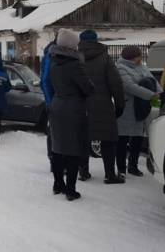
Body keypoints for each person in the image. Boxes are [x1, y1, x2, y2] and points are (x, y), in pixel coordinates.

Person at [49, 29, 95, 201]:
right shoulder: (75, 64)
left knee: (58, 148)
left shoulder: (54, 62)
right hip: (73, 109)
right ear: (71, 45)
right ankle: (71, 190)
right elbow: (87, 88)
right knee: (74, 150)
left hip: (57, 105)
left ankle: (58, 184)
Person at [79, 30, 125, 184]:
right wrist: (119, 105)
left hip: (81, 105)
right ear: (96, 40)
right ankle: (110, 175)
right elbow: (116, 83)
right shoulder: (105, 57)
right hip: (103, 104)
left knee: (83, 138)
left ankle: (83, 172)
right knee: (108, 140)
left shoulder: (75, 57)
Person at [116, 46, 162, 177]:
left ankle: (133, 166)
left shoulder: (142, 66)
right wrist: (151, 95)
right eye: (139, 55)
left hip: (141, 109)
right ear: (132, 57)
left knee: (137, 138)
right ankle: (121, 169)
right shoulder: (120, 68)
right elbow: (129, 86)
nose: (141, 58)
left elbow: (152, 81)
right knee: (123, 140)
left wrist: (159, 93)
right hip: (127, 109)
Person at [40, 39, 56, 169]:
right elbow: (45, 81)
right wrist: (50, 101)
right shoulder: (50, 55)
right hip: (54, 101)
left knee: (54, 131)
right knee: (54, 131)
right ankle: (53, 160)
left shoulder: (48, 54)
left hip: (53, 100)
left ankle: (54, 159)